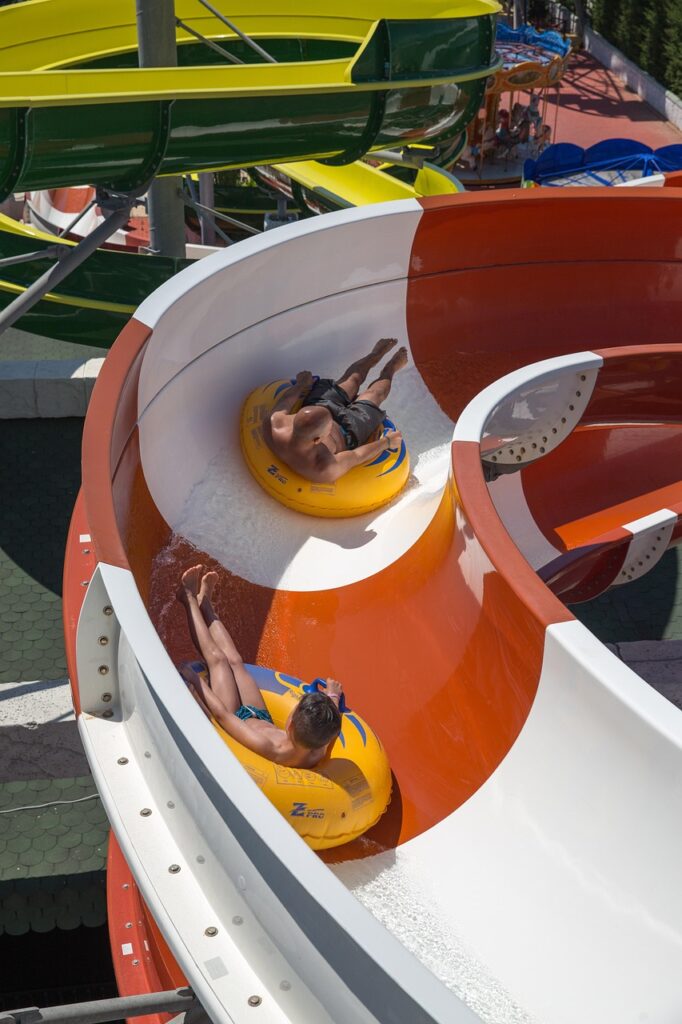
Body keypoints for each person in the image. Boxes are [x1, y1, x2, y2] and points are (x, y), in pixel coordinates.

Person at [178, 565, 342, 768]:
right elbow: (330, 723)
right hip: (261, 715)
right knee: (236, 661)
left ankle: (188, 598)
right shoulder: (317, 750)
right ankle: (206, 607)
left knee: (218, 659)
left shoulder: (268, 747)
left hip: (236, 716)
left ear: (289, 724)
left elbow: (223, 715)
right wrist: (333, 696)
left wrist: (196, 681)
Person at [262, 338, 407, 484]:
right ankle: (391, 368)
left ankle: (375, 354)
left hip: (321, 404)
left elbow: (287, 399)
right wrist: (387, 442)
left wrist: (301, 384)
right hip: (349, 430)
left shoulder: (274, 423)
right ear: (318, 440)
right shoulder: (324, 468)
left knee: (352, 380)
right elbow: (356, 456)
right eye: (329, 426)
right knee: (375, 395)